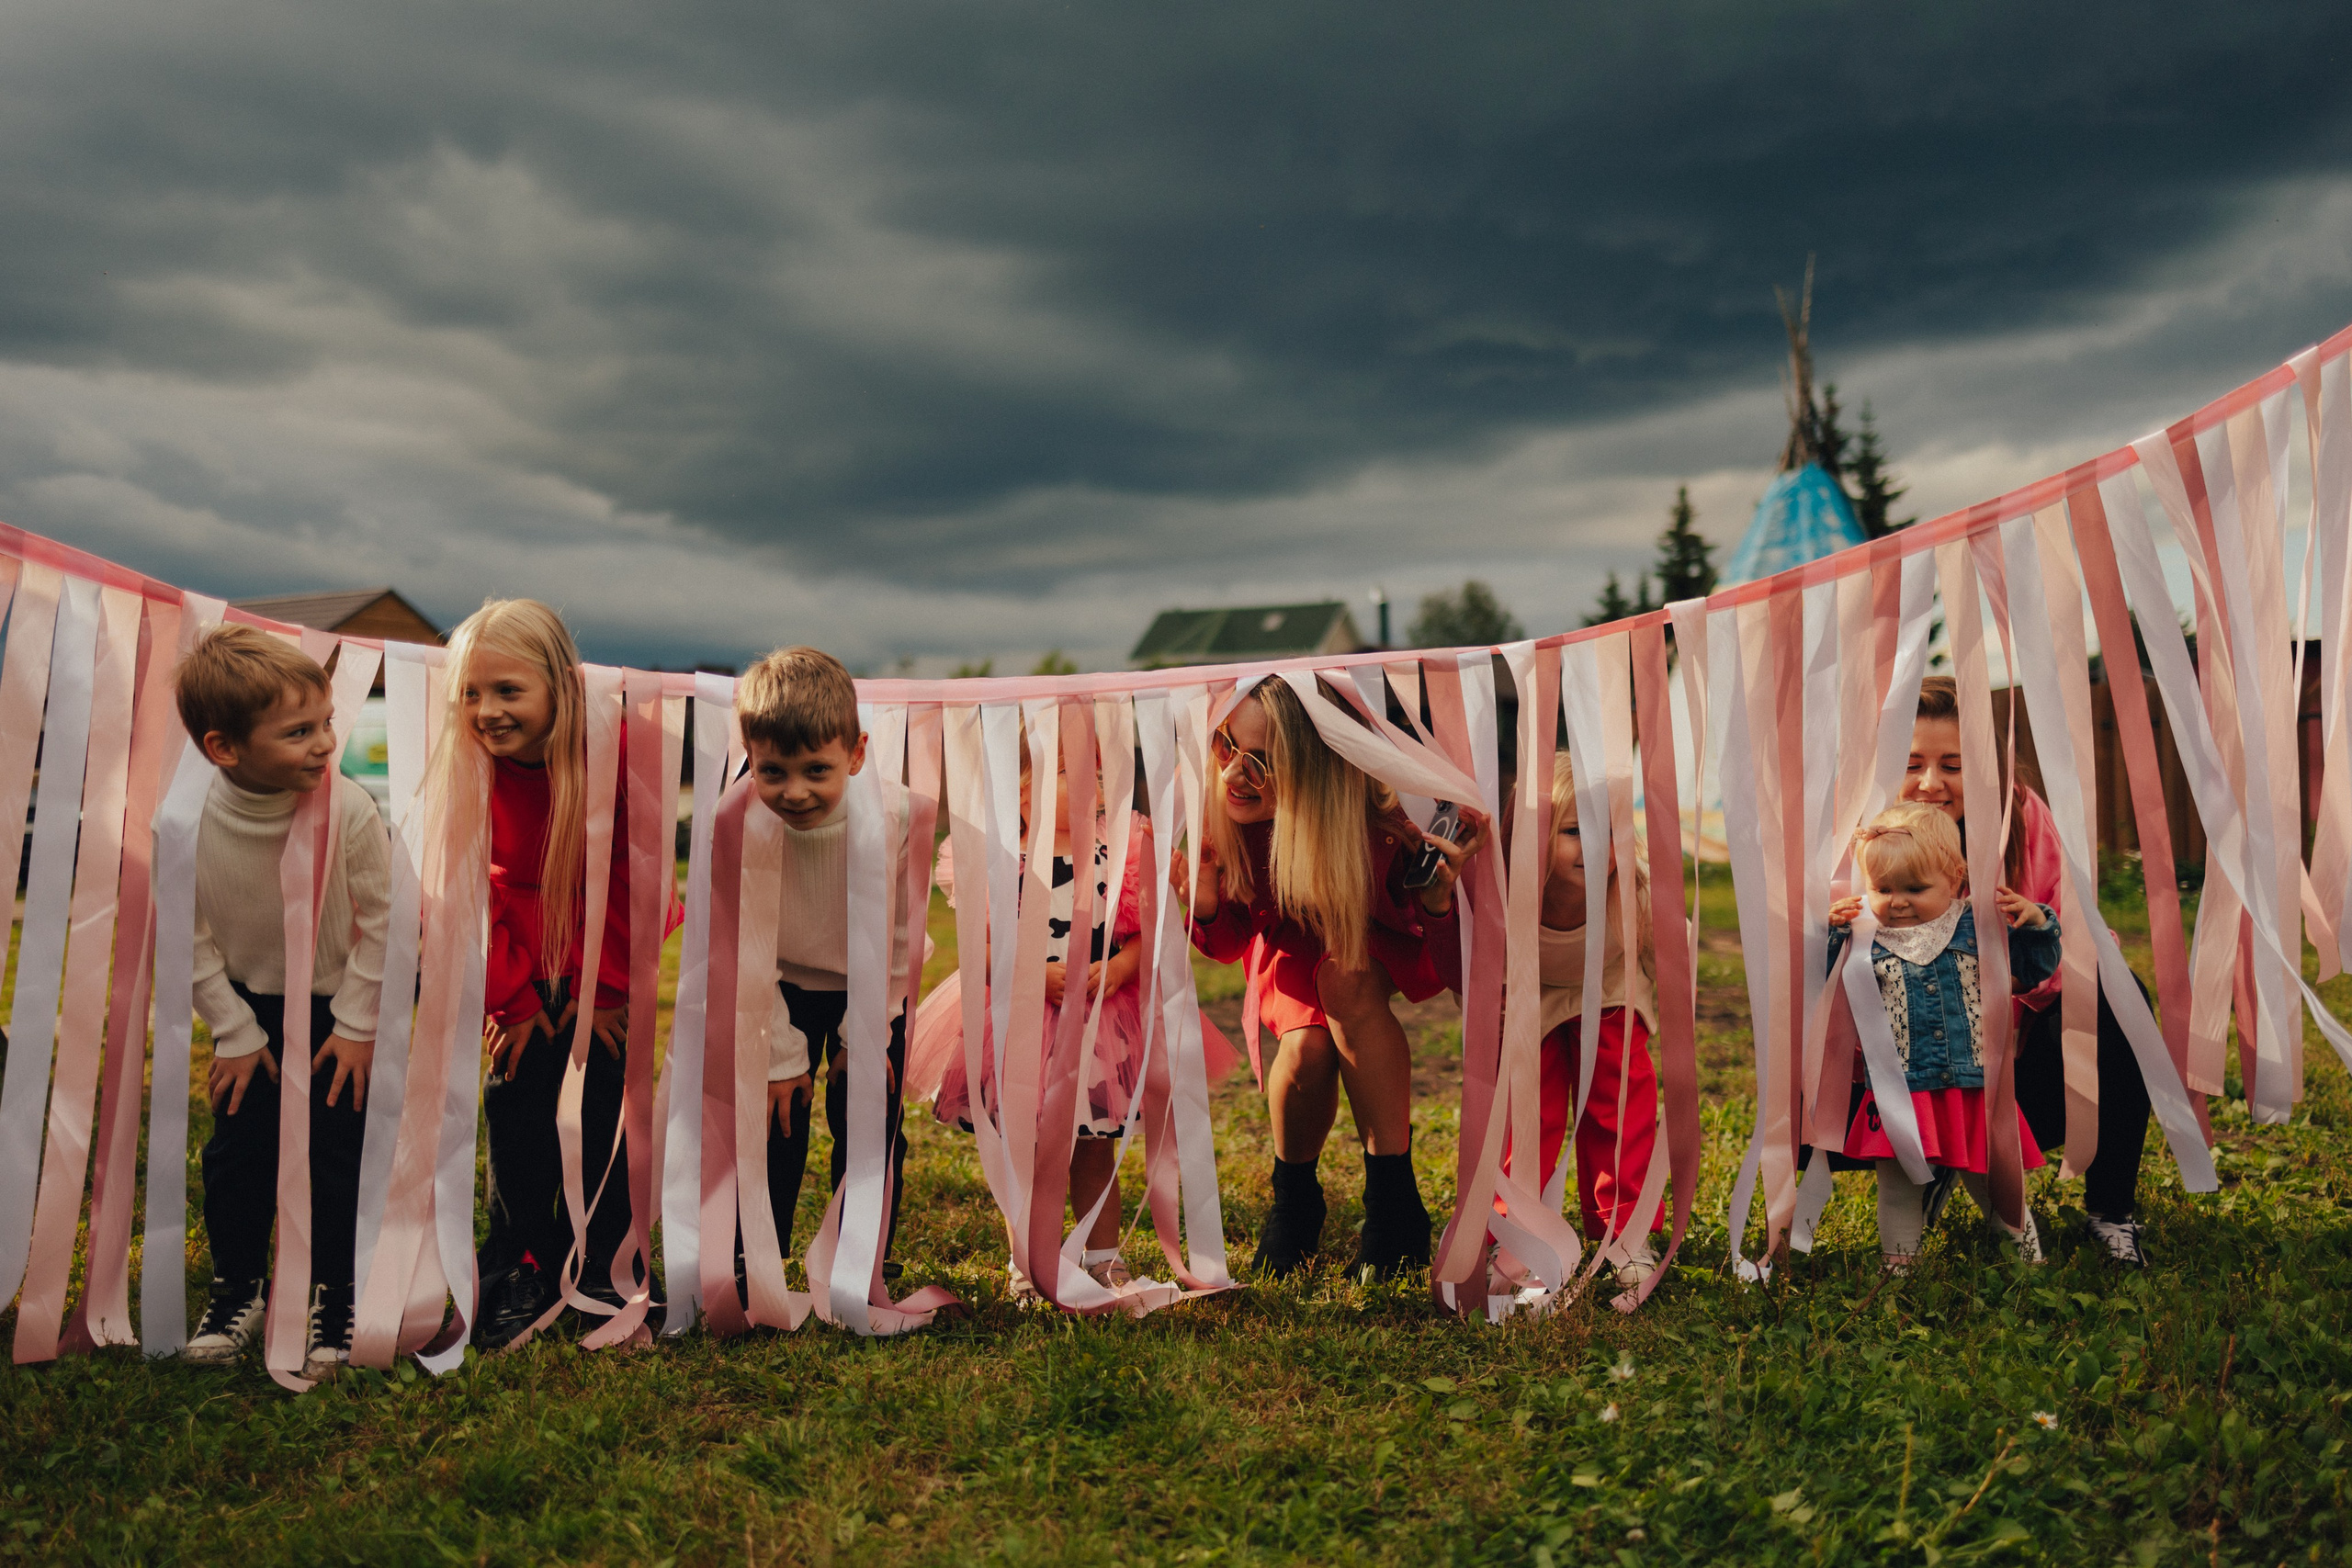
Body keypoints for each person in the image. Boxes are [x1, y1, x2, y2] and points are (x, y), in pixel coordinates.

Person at [1182, 677, 1485, 1280]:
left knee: (1346, 979)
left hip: (1361, 947)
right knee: (1307, 1049)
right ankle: (1294, 1200)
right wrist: (1209, 903)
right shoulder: (1231, 822)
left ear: (1317, 772)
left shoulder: (1383, 828)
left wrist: (1436, 901)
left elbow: (1452, 960)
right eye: (1225, 746)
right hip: (1289, 952)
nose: (1235, 774)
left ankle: (1394, 1204)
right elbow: (1228, 943)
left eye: (1263, 763)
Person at [447, 599, 663, 1351]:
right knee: (517, 1100)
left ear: (560, 687)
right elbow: (461, 889)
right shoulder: (464, 759)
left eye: (508, 690)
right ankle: (522, 1262)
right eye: (471, 692)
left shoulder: (617, 747)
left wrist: (602, 991)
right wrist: (508, 998)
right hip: (512, 946)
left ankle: (607, 1260)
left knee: (604, 1094)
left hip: (600, 941)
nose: (487, 710)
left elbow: (638, 876)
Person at [177, 626, 390, 1379]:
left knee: (337, 1153)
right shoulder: (188, 818)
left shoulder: (354, 810)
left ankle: (339, 1292)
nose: (324, 743)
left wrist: (360, 1025)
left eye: (328, 722)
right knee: (237, 1153)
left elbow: (385, 921)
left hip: (341, 1010)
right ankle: (239, 1288)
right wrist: (232, 1031)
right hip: (248, 1012)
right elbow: (187, 934)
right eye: (299, 731)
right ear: (224, 747)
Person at [1901, 677, 2156, 1267]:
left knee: (2119, 997)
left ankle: (2111, 1211)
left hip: (2015, 1060)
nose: (1931, 783)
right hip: (1909, 1071)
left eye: (1953, 764)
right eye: (1913, 762)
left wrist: (2036, 942)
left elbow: (2086, 940)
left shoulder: (2019, 816)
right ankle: (1936, 1159)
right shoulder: (1873, 835)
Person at [915, 735, 1152, 1295]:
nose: (1092, 786)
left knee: (1096, 1146)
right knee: (1028, 1151)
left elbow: (1140, 934)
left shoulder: (1118, 855)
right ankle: (1029, 1261)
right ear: (1024, 793)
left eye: (1097, 774)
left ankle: (1103, 1256)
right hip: (1027, 1027)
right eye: (1072, 773)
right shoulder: (1005, 862)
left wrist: (1121, 966)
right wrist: (1027, 975)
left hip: (1100, 1026)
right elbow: (985, 946)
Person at [735, 647, 923, 1286]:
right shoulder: (735, 819)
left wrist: (863, 1036)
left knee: (869, 1121)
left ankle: (861, 1253)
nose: (794, 790)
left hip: (869, 989)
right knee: (774, 1119)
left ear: (858, 752)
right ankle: (758, 1256)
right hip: (776, 988)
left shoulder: (897, 815)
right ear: (749, 754)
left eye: (817, 768)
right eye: (773, 770)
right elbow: (742, 942)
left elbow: (900, 936)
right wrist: (782, 1053)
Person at [1829, 803, 2060, 1270]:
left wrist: (2036, 924)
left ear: (1955, 878)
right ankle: (1899, 1268)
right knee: (1897, 1186)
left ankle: (2027, 1262)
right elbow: (1827, 992)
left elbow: (2032, 974)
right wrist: (1829, 936)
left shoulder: (1977, 926)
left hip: (1974, 1086)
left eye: (1916, 888)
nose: (1897, 901)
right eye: (1883, 888)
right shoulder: (1864, 937)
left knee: (1996, 1180)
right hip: (1900, 1092)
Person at [1507, 752, 1662, 1288]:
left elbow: (1666, 954)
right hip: (1535, 995)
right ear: (1535, 838)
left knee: (1619, 1103)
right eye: (1575, 831)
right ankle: (1517, 1235)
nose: (1598, 845)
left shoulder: (1635, 893)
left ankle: (1626, 1230)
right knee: (1529, 1112)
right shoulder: (1510, 894)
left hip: (1611, 989)